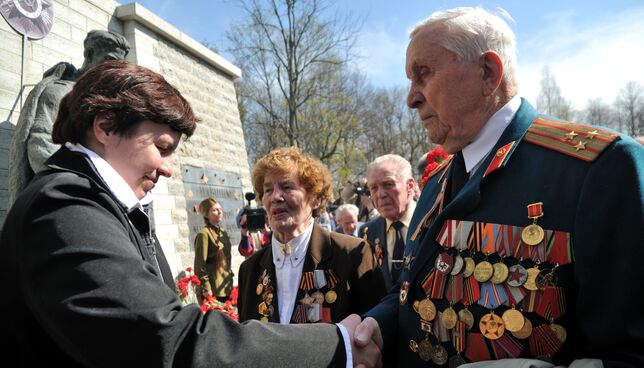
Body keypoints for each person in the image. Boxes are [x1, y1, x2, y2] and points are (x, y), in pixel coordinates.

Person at [0, 60, 381, 367]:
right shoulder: (64, 205)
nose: (167, 168)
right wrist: (337, 345)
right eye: (161, 147)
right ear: (104, 127)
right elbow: (165, 340)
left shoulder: (96, 202)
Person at [354, 7, 644, 367]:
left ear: (488, 72)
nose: (411, 98)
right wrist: (377, 326)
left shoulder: (598, 167)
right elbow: (409, 288)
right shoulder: (437, 181)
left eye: (423, 74)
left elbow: (633, 353)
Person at [237, 147, 387, 325]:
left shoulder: (353, 254)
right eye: (268, 190)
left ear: (315, 199)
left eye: (287, 187)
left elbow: (375, 336)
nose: (275, 197)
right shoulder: (250, 270)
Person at [8, 29, 130, 203]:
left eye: (117, 66)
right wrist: (81, 188)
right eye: (108, 60)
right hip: (63, 200)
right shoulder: (60, 92)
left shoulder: (105, 101)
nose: (111, 70)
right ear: (89, 55)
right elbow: (41, 147)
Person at [359, 154, 417, 293]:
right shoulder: (368, 232)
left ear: (410, 186)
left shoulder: (434, 223)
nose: (380, 194)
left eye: (388, 184)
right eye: (373, 188)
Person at [194, 197, 234, 303]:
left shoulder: (223, 233)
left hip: (226, 285)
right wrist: (206, 287)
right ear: (207, 215)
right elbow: (200, 264)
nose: (220, 212)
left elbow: (228, 260)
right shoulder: (204, 234)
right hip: (213, 288)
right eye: (215, 210)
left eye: (220, 209)